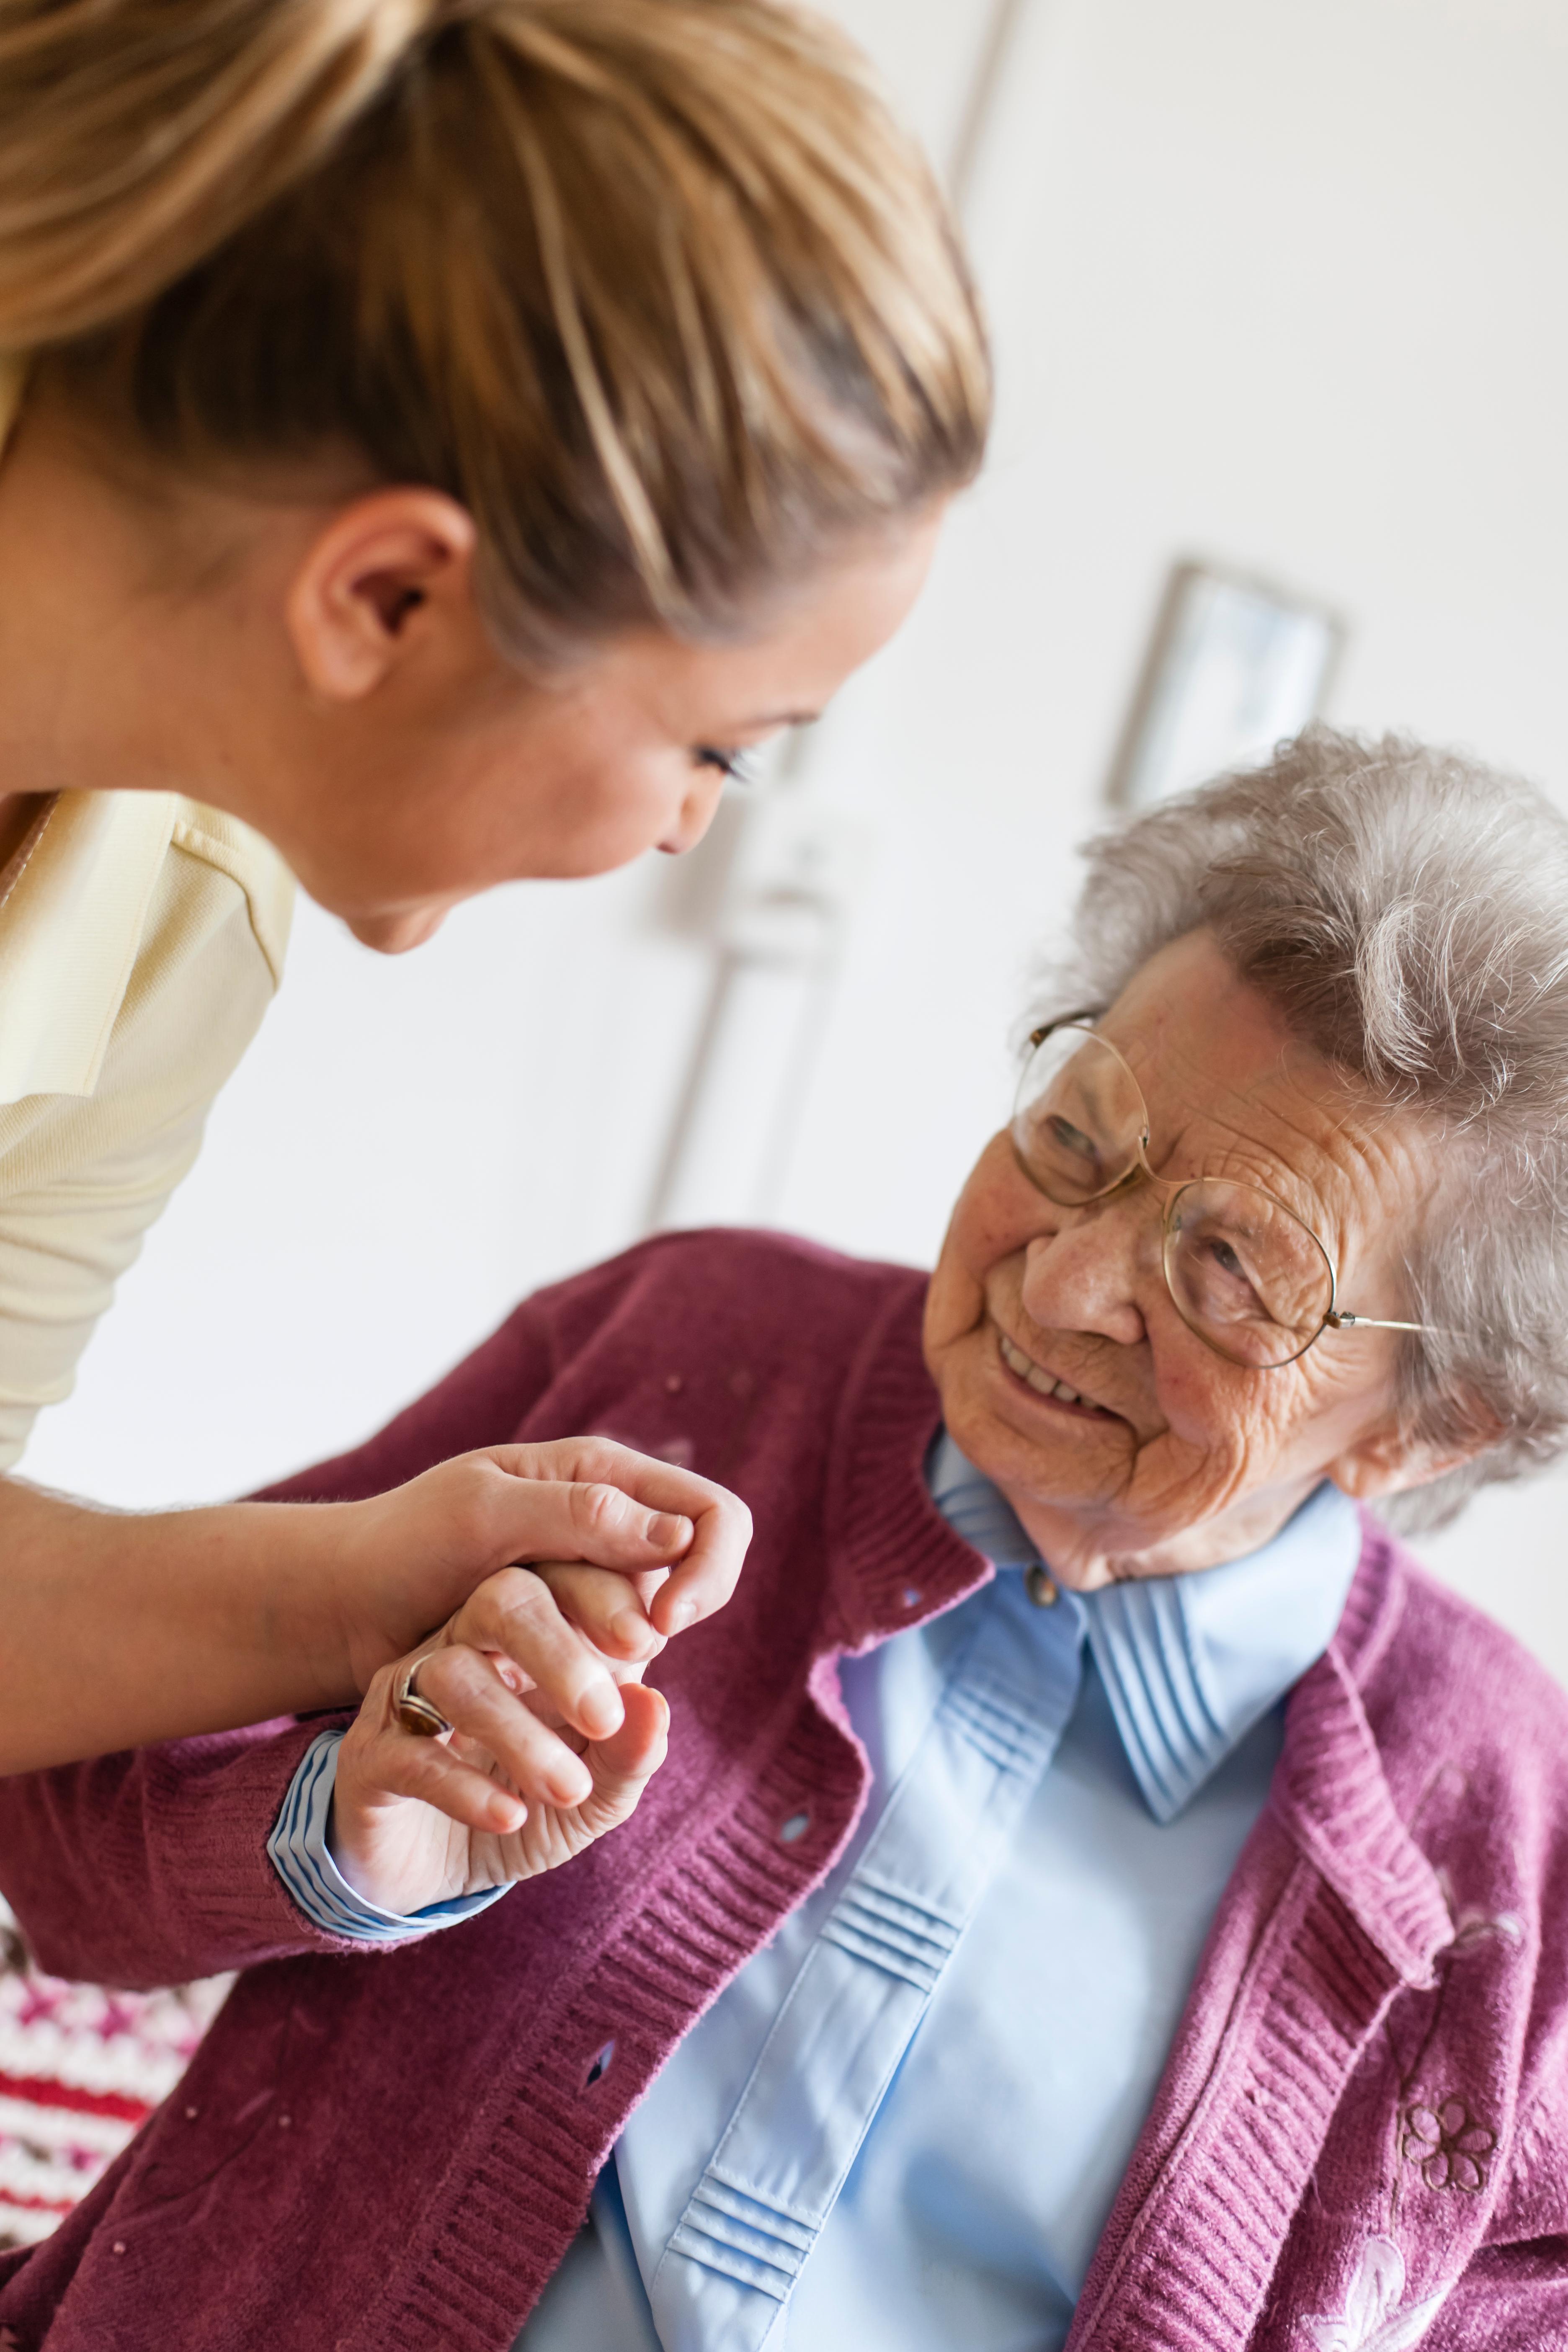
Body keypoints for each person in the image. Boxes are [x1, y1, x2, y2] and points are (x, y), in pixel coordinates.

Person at [12, 727, 1566, 2349]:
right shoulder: (687, 1350)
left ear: (1430, 1419)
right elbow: (60, 1820)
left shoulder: (1508, 1856)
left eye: (1232, 1273)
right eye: (1079, 1139)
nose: (1059, 1287)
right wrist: (339, 1826)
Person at [0, 0, 990, 1773]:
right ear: (390, 599)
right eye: (724, 746)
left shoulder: (175, 916)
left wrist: (366, 1583)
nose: (696, 827)